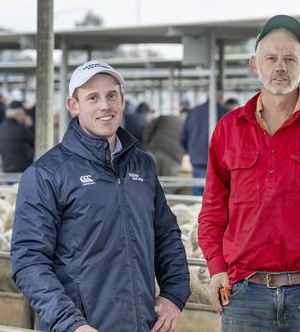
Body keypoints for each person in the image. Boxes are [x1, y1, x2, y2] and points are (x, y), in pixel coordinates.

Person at [198, 14, 300, 331]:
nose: (280, 67)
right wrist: (217, 266)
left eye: (290, 58)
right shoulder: (228, 129)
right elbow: (212, 209)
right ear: (254, 64)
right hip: (244, 294)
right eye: (271, 58)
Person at [10, 61, 190, 332]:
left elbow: (166, 234)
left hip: (141, 323)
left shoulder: (142, 165)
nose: (104, 105)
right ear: (73, 105)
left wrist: (174, 294)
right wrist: (70, 324)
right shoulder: (47, 173)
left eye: (111, 95)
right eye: (92, 97)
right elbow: (28, 259)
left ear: (122, 100)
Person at [179, 93, 227, 195]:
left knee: (198, 202)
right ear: (221, 97)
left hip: (197, 162)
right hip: (219, 166)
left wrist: (192, 151)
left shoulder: (193, 112)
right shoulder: (226, 113)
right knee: (216, 201)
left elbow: (182, 138)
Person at [143, 114, 185, 192]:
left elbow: (148, 129)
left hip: (154, 150)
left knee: (146, 183)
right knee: (169, 186)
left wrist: (147, 145)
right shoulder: (185, 123)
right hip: (173, 156)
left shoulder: (164, 117)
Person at [0, 101, 34, 173]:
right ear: (18, 114)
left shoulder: (0, 127)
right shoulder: (20, 129)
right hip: (21, 169)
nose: (24, 116)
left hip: (6, 168)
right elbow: (34, 142)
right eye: (23, 114)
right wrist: (30, 127)